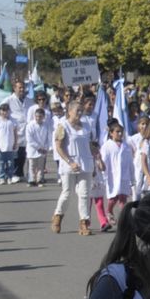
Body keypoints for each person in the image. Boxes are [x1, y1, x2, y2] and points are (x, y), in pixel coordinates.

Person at [52, 100, 99, 235]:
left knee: (84, 194)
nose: (79, 113)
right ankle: (58, 216)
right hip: (69, 165)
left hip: (86, 163)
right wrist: (70, 162)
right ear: (69, 111)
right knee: (67, 192)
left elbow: (91, 145)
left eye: (81, 110)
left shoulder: (87, 126)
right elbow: (59, 147)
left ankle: (84, 223)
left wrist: (96, 161)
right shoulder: (63, 126)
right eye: (77, 110)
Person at [24, 104, 53, 187]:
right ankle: (31, 180)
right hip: (32, 149)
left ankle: (40, 180)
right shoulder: (30, 125)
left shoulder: (46, 125)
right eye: (36, 116)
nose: (38, 118)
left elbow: (49, 137)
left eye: (40, 116)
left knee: (41, 166)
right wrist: (38, 147)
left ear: (43, 117)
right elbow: (29, 139)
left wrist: (47, 147)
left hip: (43, 149)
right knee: (32, 165)